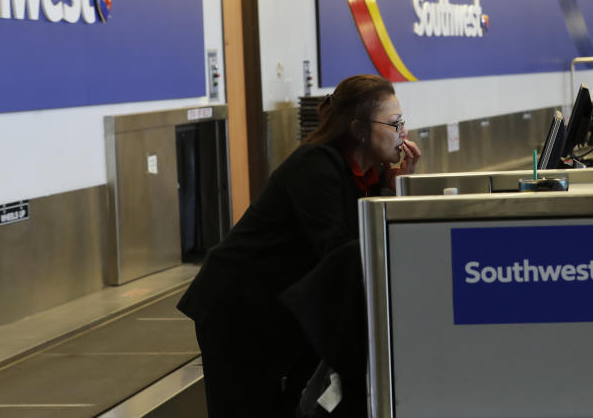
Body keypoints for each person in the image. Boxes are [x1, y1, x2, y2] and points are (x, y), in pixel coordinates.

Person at [176, 74, 421, 418]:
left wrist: (395, 187)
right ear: (359, 130)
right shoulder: (315, 166)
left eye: (403, 123)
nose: (403, 134)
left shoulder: (365, 174)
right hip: (237, 308)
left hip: (280, 311)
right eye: (395, 124)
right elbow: (340, 253)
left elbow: (362, 244)